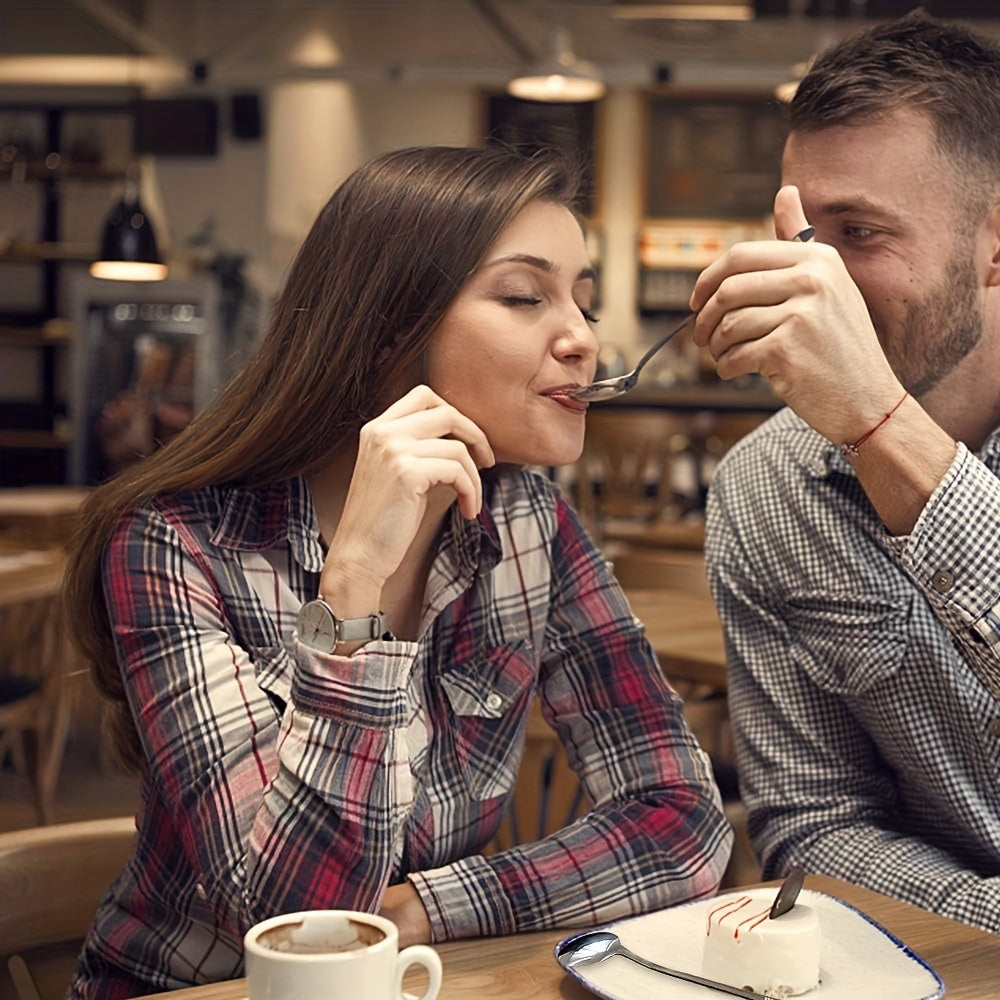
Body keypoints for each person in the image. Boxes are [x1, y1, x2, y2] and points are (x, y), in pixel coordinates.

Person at [63, 144, 732, 998]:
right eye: (526, 297)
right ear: (388, 324)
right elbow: (295, 922)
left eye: (584, 302)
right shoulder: (174, 546)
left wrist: (420, 909)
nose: (581, 339)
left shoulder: (532, 523)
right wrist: (352, 592)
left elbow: (683, 823)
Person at [689, 9, 1000, 933]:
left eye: (859, 232)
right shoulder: (763, 489)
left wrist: (881, 424)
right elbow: (817, 827)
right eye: (798, 233)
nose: (810, 278)